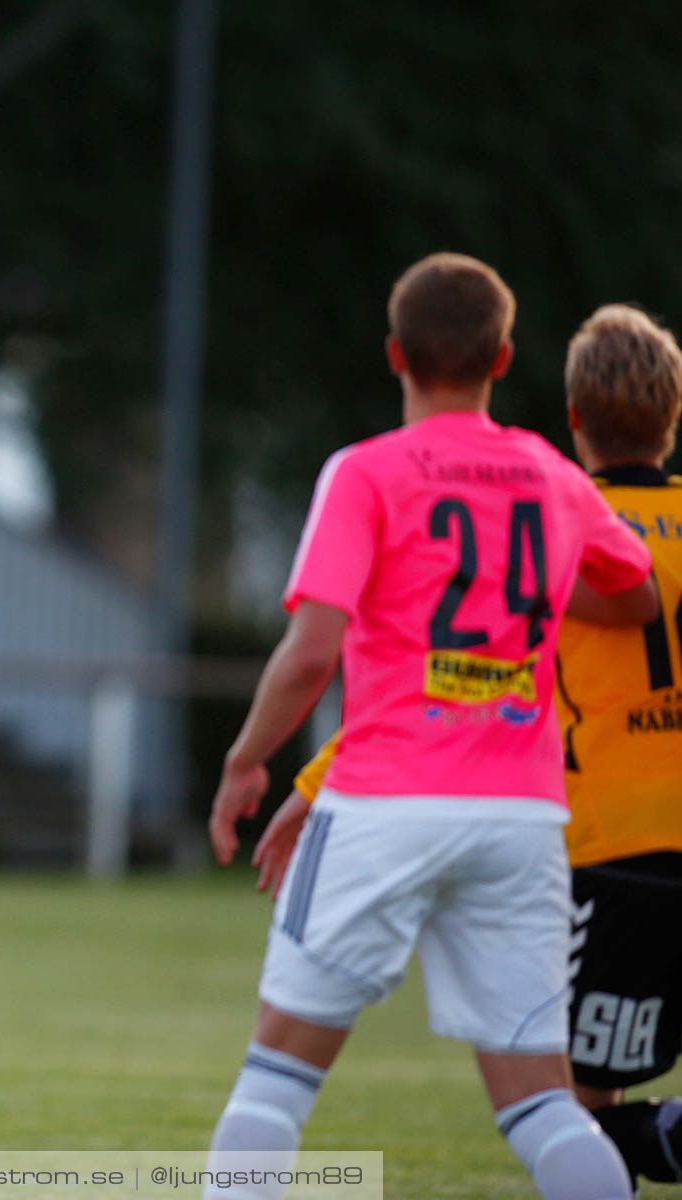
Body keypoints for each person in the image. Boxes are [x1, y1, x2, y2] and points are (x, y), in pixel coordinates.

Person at [202, 253, 656, 1200]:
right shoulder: (550, 473)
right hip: (525, 816)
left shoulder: (366, 472)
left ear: (396, 354)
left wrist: (248, 762)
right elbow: (637, 594)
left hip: (382, 804)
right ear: (504, 357)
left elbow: (311, 649)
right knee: (544, 1110)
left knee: (275, 1088)